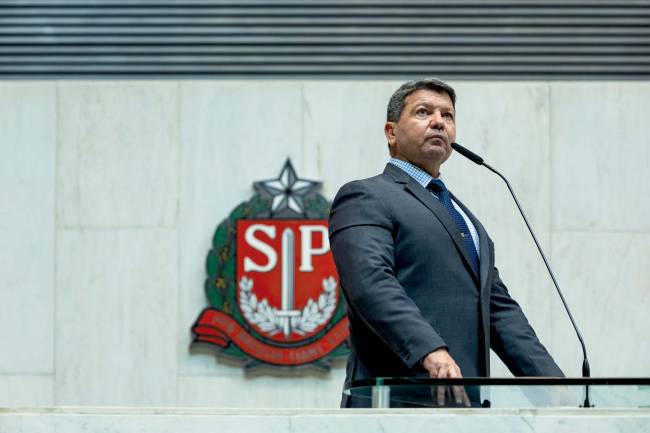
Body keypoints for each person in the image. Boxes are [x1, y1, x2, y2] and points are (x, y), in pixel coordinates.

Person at [328, 78, 563, 408]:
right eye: (423, 112)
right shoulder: (366, 196)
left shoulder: (465, 219)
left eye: (448, 115)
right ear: (391, 132)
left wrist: (556, 387)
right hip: (397, 404)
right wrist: (428, 350)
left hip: (467, 410)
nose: (438, 121)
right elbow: (371, 283)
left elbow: (499, 312)